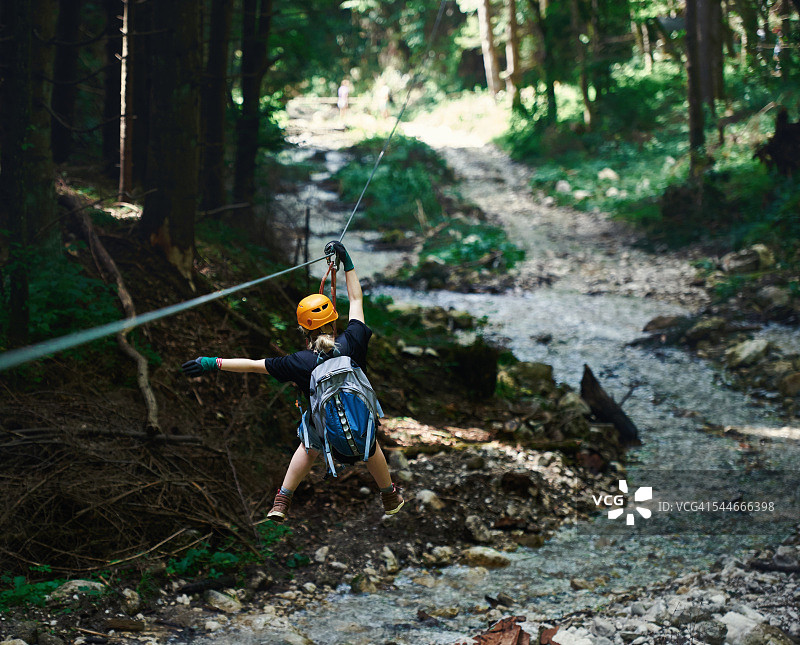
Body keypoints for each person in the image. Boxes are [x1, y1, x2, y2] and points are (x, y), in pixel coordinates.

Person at [181, 241, 404, 523]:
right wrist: (347, 263)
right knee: (370, 443)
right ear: (333, 318)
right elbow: (357, 300)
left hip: (325, 432)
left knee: (308, 444)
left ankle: (283, 499)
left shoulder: (297, 362)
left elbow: (252, 365)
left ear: (302, 329)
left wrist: (213, 363)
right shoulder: (354, 340)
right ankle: (389, 496)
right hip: (360, 426)